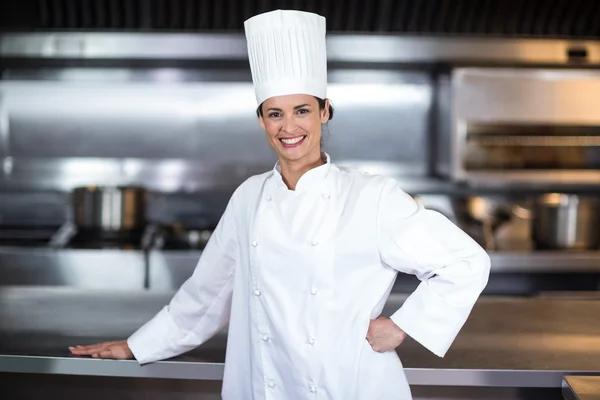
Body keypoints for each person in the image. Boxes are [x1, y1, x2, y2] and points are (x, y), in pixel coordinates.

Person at [70, 9, 491, 400]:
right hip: (264, 387)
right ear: (261, 120)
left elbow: (465, 262)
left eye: (302, 110)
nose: (289, 127)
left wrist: (401, 326)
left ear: (325, 112)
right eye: (275, 114)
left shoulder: (371, 196)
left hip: (349, 387)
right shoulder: (249, 197)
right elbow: (206, 296)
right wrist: (136, 345)